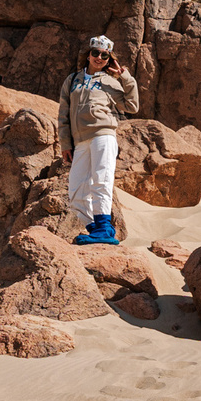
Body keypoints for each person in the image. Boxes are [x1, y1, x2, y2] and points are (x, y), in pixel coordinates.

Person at [56, 34, 137, 245]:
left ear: (109, 59)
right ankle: (100, 229)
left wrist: (124, 77)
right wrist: (65, 144)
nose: (99, 58)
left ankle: (102, 228)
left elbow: (132, 106)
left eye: (104, 55)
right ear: (88, 54)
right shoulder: (72, 80)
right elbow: (63, 114)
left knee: (101, 181)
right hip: (80, 141)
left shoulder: (110, 82)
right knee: (75, 190)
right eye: (96, 53)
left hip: (103, 135)